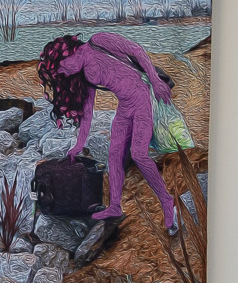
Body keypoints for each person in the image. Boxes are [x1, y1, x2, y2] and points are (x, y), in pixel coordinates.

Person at [37, 31, 189, 231]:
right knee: (114, 154)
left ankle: (167, 201)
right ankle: (115, 206)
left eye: (63, 67)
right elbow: (88, 112)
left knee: (139, 154)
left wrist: (155, 80)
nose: (65, 72)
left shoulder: (99, 41)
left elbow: (136, 50)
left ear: (69, 53)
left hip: (143, 100)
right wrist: (79, 145)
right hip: (125, 107)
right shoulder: (85, 76)